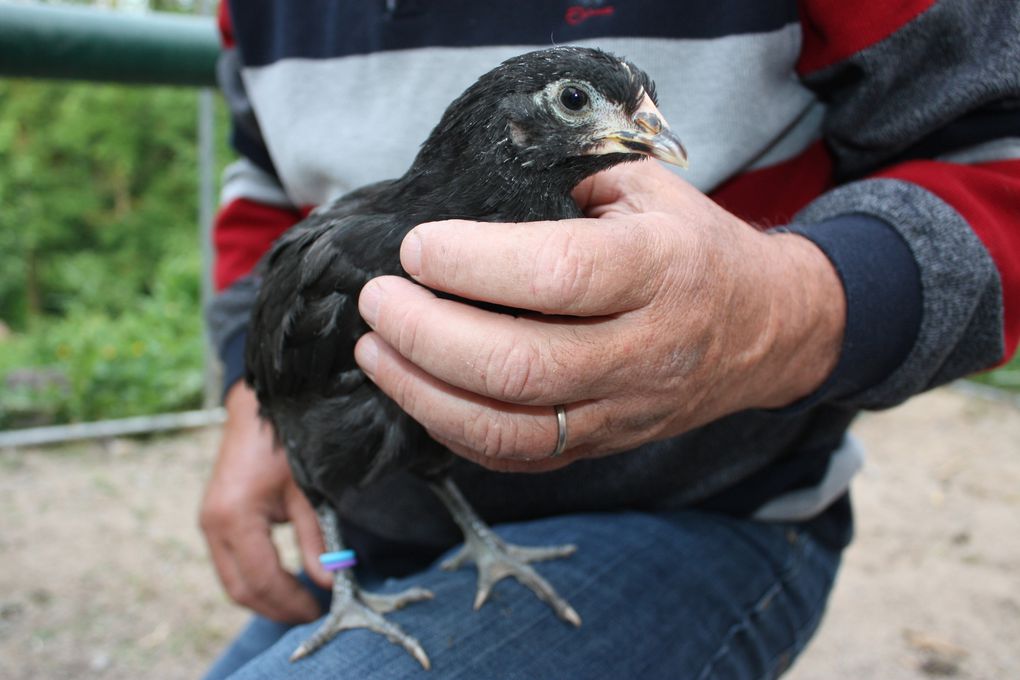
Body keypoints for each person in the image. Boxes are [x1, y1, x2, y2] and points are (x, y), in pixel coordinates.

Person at [199, 2, 1020, 678]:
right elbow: (261, 181)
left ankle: (476, 546)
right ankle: (352, 586)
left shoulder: (557, 226)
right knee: (340, 473)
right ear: (507, 128)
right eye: (576, 102)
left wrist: (780, 311)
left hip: (715, 506)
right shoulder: (351, 259)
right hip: (370, 532)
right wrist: (251, 383)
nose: (649, 131)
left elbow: (996, 148)